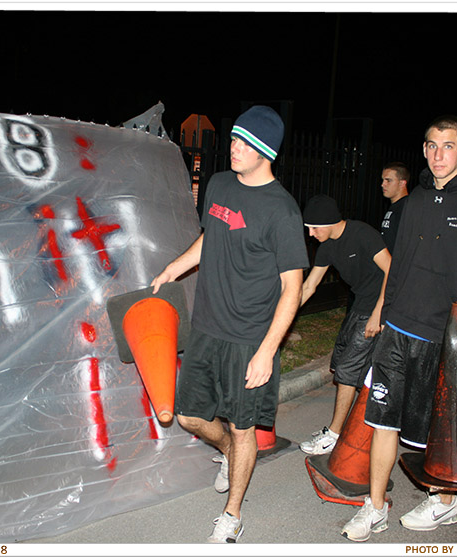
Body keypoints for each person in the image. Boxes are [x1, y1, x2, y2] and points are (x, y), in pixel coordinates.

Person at [341, 115, 457, 542]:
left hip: (445, 338)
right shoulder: (416, 201)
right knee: (382, 421)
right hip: (399, 329)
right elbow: (400, 265)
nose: (437, 154)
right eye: (430, 145)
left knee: (439, 429)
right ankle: (374, 507)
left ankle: (445, 502)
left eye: (448, 146)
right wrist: (384, 314)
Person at [150, 105, 309, 543]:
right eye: (234, 139)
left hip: (248, 339)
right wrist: (173, 269)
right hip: (207, 328)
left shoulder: (283, 211)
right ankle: (227, 453)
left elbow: (291, 289)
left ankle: (232, 514)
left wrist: (266, 351)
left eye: (243, 143)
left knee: (244, 429)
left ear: (265, 151)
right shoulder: (219, 185)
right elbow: (208, 239)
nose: (233, 148)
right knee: (187, 417)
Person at [297, 195, 391, 455]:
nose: (311, 234)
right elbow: (309, 285)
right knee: (341, 362)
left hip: (379, 306)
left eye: (314, 228)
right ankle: (361, 425)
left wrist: (378, 314)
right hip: (360, 305)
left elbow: (391, 269)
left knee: (348, 370)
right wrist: (284, 316)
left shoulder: (362, 234)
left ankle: (335, 435)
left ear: (328, 223)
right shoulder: (327, 246)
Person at [379, 162, 410, 253]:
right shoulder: (395, 207)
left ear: (402, 183)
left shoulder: (406, 208)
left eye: (388, 180)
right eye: (383, 180)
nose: (383, 184)